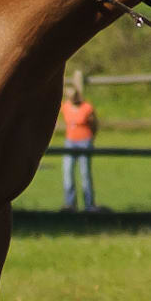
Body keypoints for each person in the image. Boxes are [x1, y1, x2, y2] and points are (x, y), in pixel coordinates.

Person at [57, 73, 101, 213]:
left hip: (84, 142)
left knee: (85, 174)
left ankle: (89, 204)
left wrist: (91, 138)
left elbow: (94, 124)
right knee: (68, 173)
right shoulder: (66, 106)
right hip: (70, 142)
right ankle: (70, 204)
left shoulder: (87, 107)